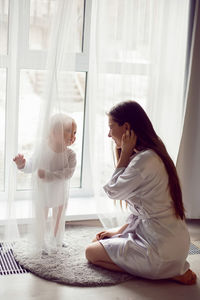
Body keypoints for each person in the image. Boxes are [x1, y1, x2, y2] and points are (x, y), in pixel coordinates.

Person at [85, 100, 197, 285]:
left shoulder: (142, 161)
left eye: (111, 127)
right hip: (175, 246)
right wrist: (119, 232)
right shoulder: (153, 154)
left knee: (91, 252)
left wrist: (124, 153)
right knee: (103, 241)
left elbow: (113, 191)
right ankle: (168, 269)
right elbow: (142, 209)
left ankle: (165, 273)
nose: (108, 134)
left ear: (126, 127)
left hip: (161, 252)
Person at [13, 113, 77, 251]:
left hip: (60, 192)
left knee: (59, 216)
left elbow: (68, 173)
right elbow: (32, 165)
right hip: (44, 192)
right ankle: (40, 241)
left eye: (75, 132)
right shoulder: (43, 150)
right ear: (54, 133)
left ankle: (56, 238)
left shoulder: (70, 155)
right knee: (42, 215)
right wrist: (22, 165)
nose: (73, 136)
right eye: (68, 131)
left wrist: (49, 175)